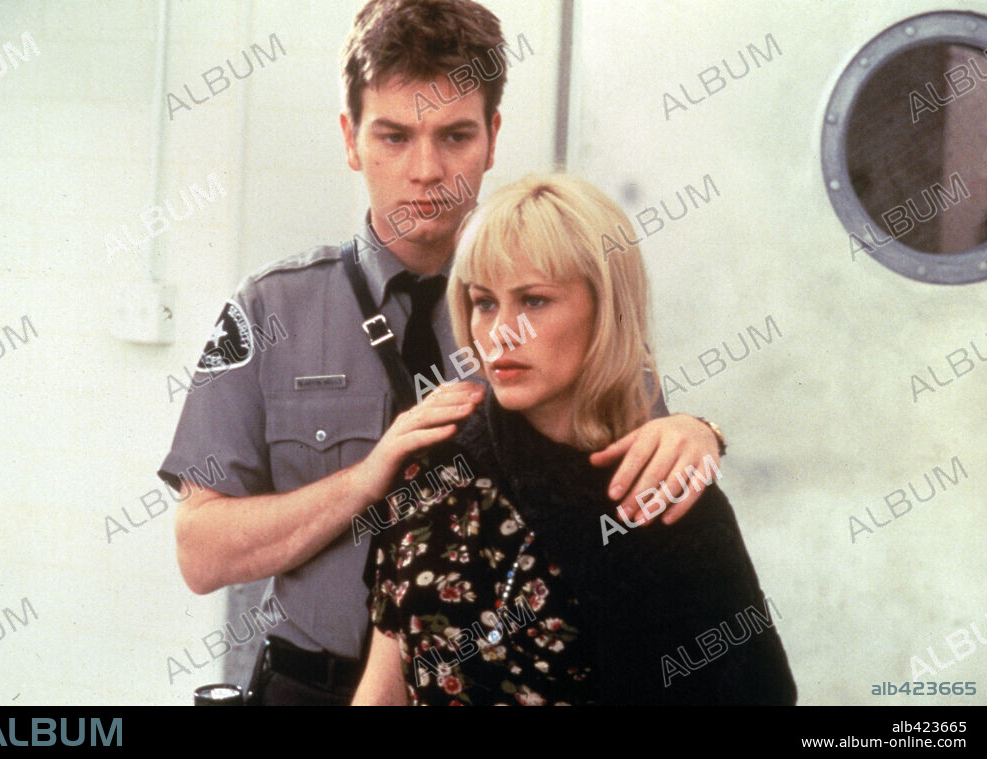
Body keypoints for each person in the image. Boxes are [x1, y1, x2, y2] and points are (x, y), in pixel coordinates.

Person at [159, 0, 726, 706]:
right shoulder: (270, 310)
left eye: (455, 136)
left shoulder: (564, 306)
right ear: (351, 139)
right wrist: (366, 480)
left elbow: (643, 480)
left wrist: (696, 431)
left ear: (492, 138)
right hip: (309, 686)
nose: (426, 169)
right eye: (394, 136)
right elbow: (201, 552)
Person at [353, 174, 796, 706]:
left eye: (534, 301)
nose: (502, 332)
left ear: (605, 306)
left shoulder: (663, 492)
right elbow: (383, 686)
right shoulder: (435, 464)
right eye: (484, 303)